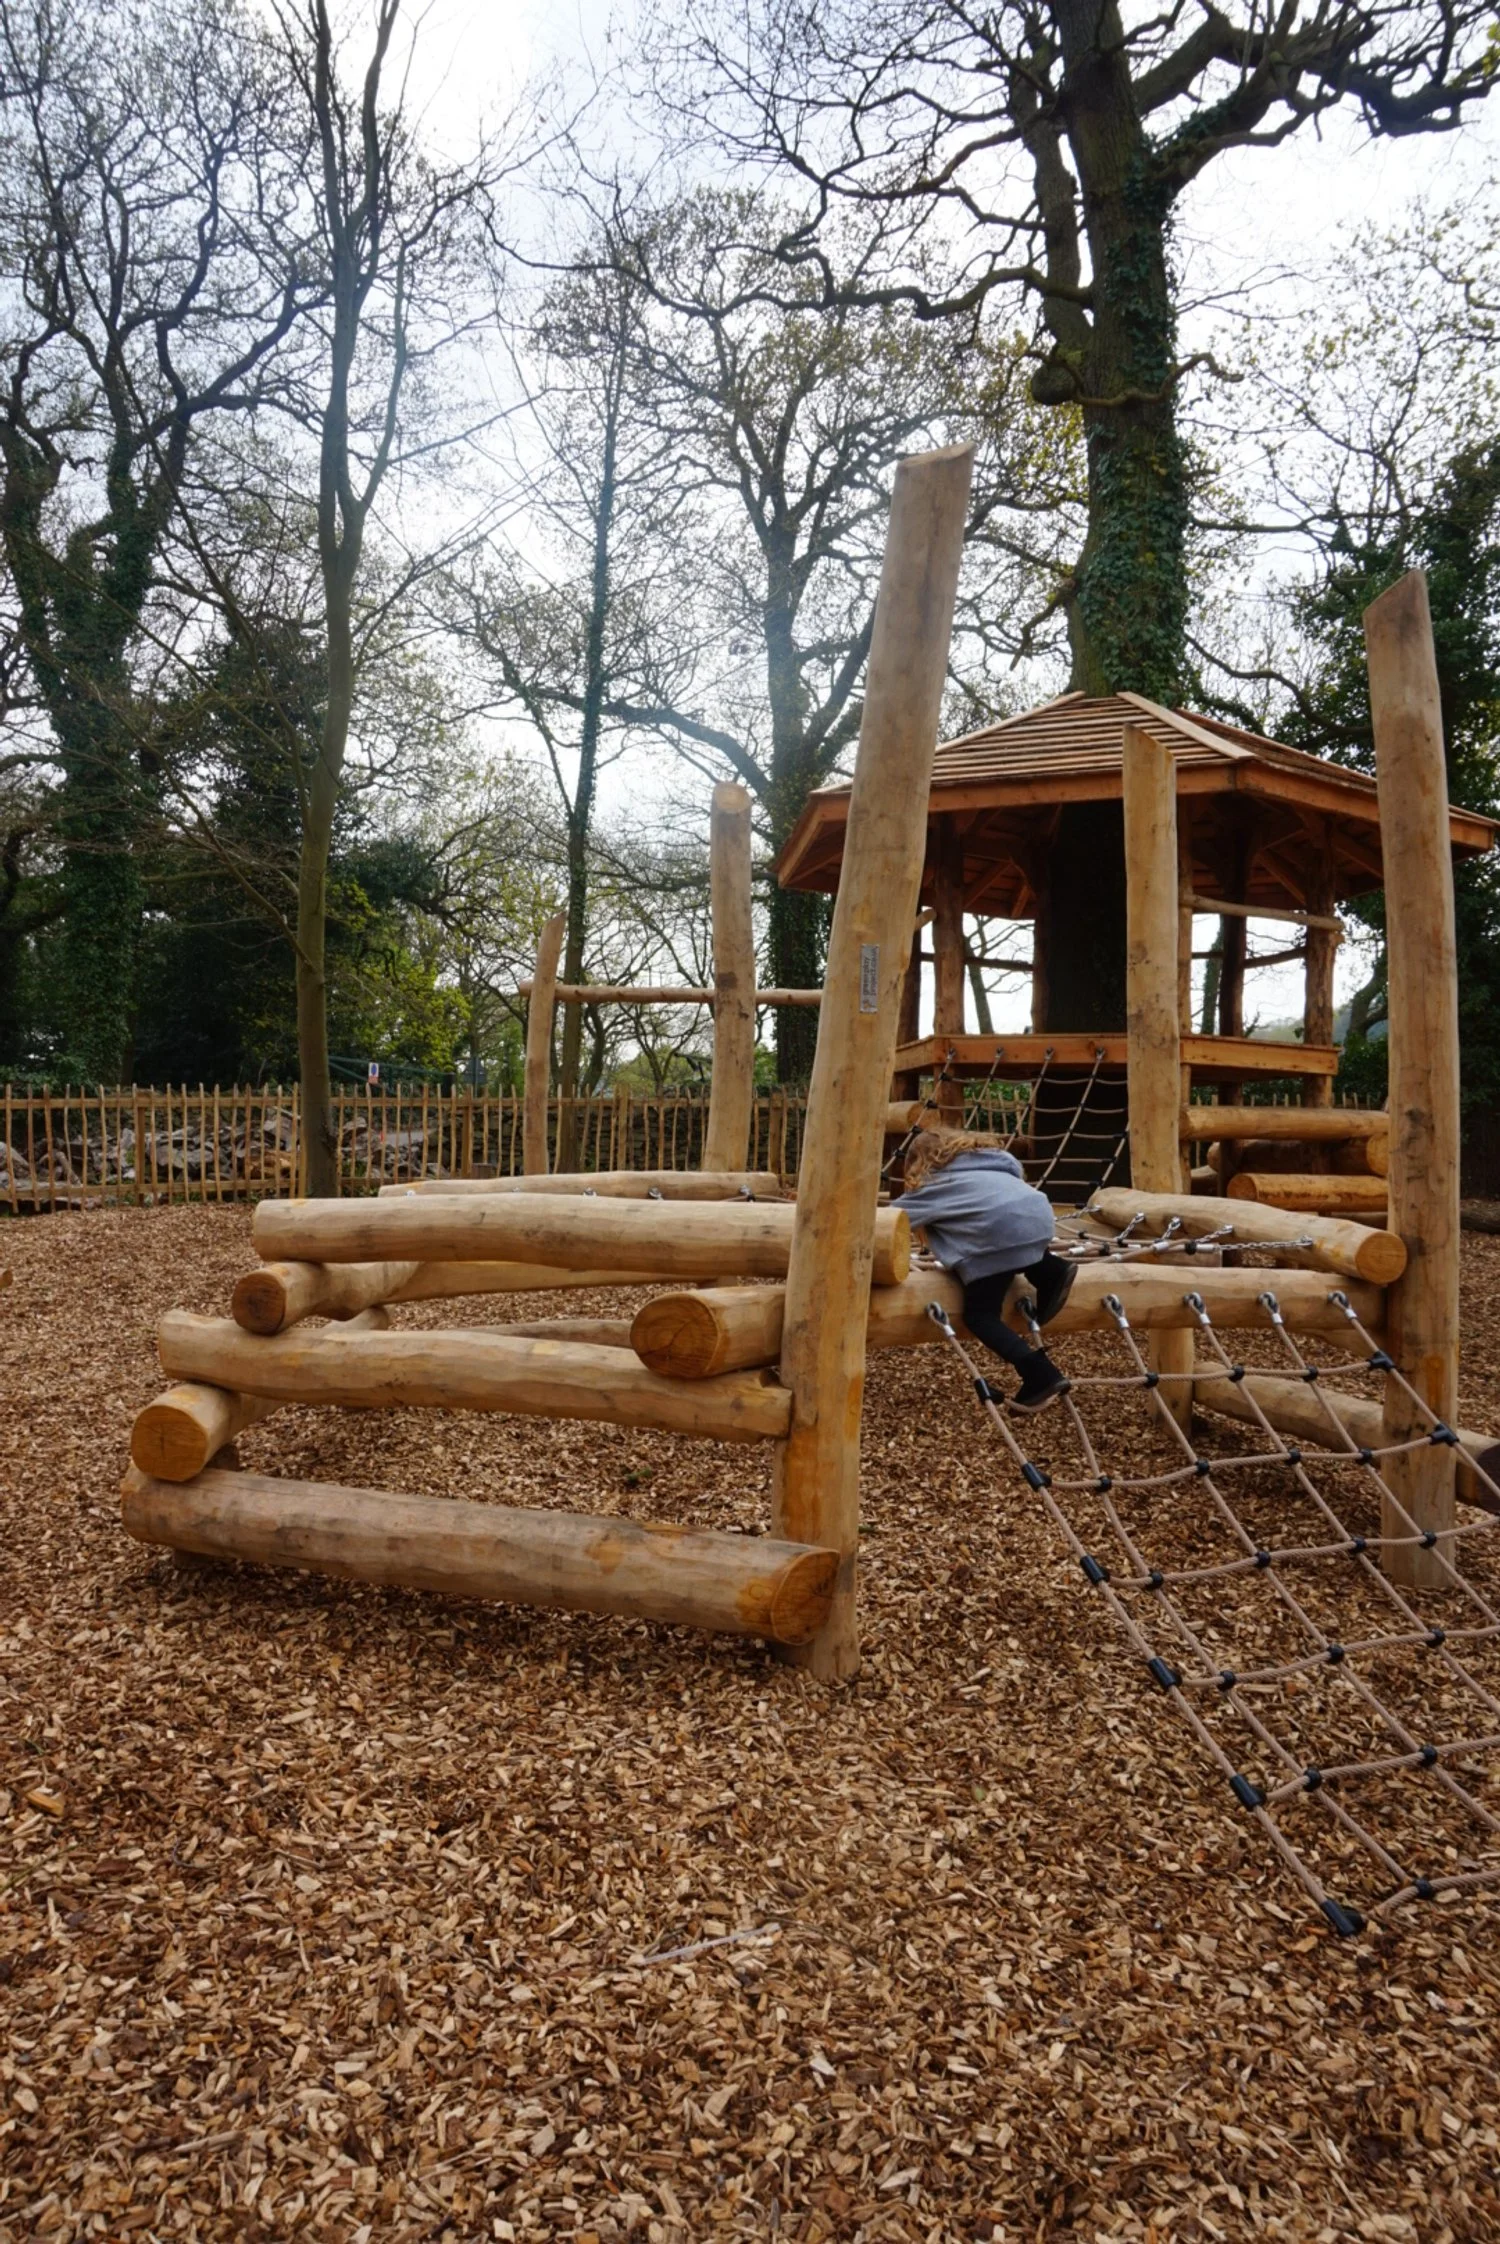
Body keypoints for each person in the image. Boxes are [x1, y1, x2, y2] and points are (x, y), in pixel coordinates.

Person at [893, 1127, 1075, 1411]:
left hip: (996, 1238)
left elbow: (894, 1219)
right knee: (1017, 1241)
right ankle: (1051, 1271)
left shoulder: (934, 1185)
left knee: (980, 1316)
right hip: (1039, 1217)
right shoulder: (996, 1163)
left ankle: (1039, 1373)